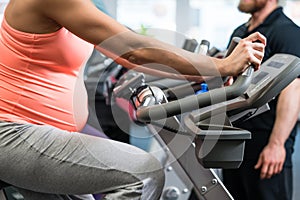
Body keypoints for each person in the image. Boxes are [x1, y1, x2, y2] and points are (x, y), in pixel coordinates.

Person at [0, 0, 266, 199]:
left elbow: (127, 49)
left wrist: (204, 69)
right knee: (142, 173)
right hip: (13, 132)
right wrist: (219, 68)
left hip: (44, 133)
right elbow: (132, 49)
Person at [222, 1, 300, 200]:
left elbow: (294, 89)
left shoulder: (287, 32)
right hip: (236, 142)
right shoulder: (241, 32)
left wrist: (276, 144)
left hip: (265, 144)